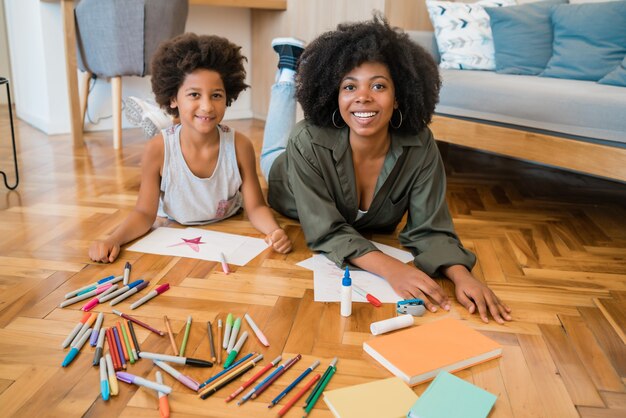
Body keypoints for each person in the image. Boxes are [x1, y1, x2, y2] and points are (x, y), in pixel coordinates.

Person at [262, 16, 512, 323]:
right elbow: (325, 230)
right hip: (286, 176)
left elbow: (429, 228)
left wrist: (462, 276)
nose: (363, 96)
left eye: (378, 85)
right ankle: (287, 72)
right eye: (349, 86)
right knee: (273, 151)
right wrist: (393, 269)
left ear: (399, 97)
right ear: (335, 96)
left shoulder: (420, 146)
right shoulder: (307, 139)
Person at [89, 33, 292, 263]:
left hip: (229, 225)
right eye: (194, 94)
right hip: (175, 227)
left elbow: (255, 207)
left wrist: (274, 231)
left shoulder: (239, 145)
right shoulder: (156, 150)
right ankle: (167, 126)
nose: (207, 106)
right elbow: (144, 213)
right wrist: (114, 239)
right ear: (173, 98)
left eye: (216, 95)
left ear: (228, 97)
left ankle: (167, 120)